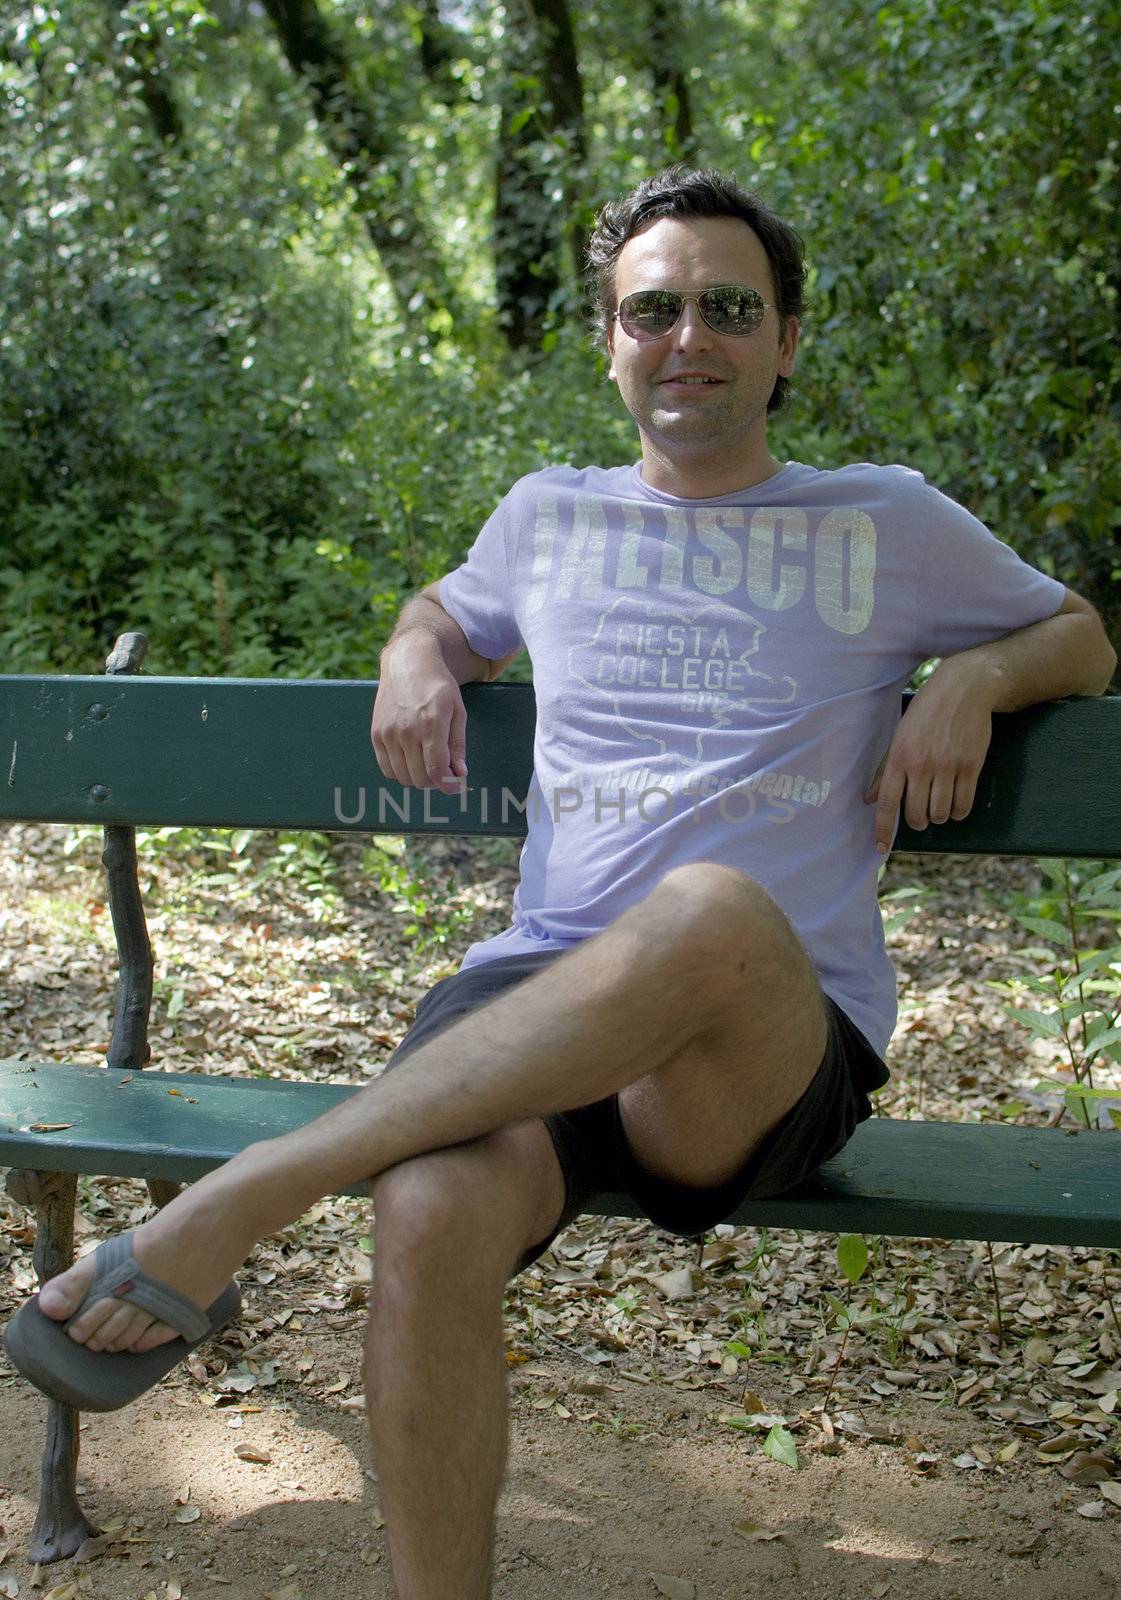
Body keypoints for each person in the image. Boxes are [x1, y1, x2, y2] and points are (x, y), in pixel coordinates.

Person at [5, 166, 1116, 1598]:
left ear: (785, 342)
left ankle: (243, 1196)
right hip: (535, 997)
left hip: (753, 1039)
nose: (687, 337)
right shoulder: (546, 516)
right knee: (426, 1208)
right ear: (607, 342)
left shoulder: (881, 522)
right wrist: (417, 652)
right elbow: (446, 612)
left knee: (711, 906)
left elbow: (1079, 635)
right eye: (651, 310)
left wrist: (974, 671)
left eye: (728, 307)